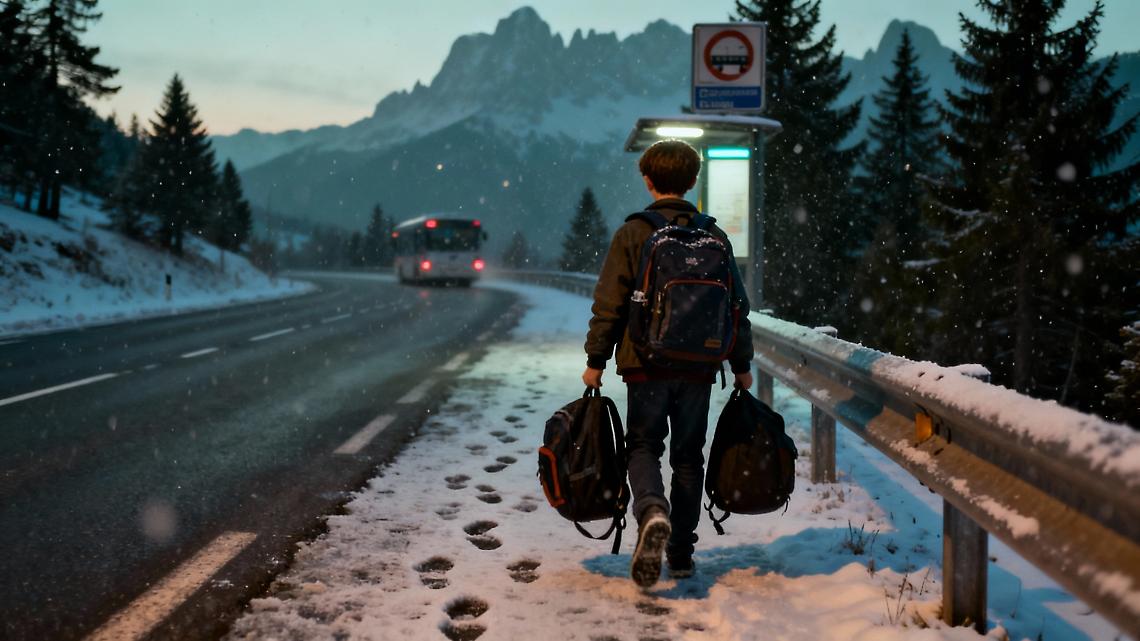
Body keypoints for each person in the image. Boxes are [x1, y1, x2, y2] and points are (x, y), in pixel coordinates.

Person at [582, 139, 754, 588]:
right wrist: (741, 363)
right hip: (700, 365)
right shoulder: (713, 235)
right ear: (694, 180)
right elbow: (737, 305)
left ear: (648, 179)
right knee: (688, 458)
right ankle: (679, 554)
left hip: (646, 363)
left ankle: (652, 511)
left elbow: (610, 303)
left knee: (643, 446)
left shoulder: (634, 233)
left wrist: (596, 358)